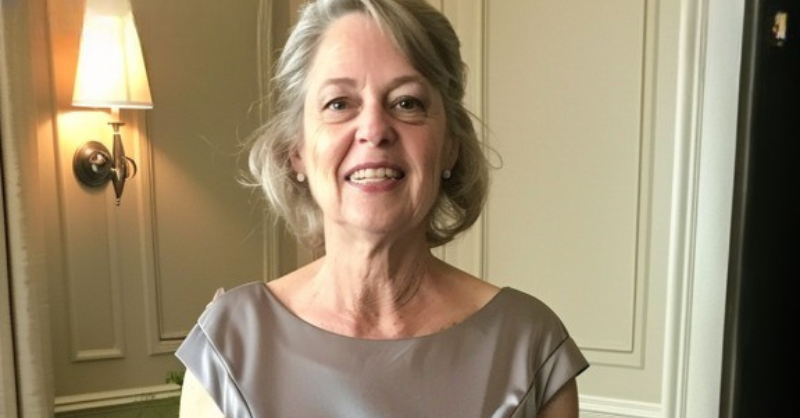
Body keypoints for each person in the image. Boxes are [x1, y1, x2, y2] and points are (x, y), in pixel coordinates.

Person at [175, 0, 589, 416]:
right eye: (339, 103)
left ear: (450, 147)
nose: (374, 129)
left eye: (407, 102)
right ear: (295, 150)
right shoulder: (227, 346)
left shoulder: (529, 346)